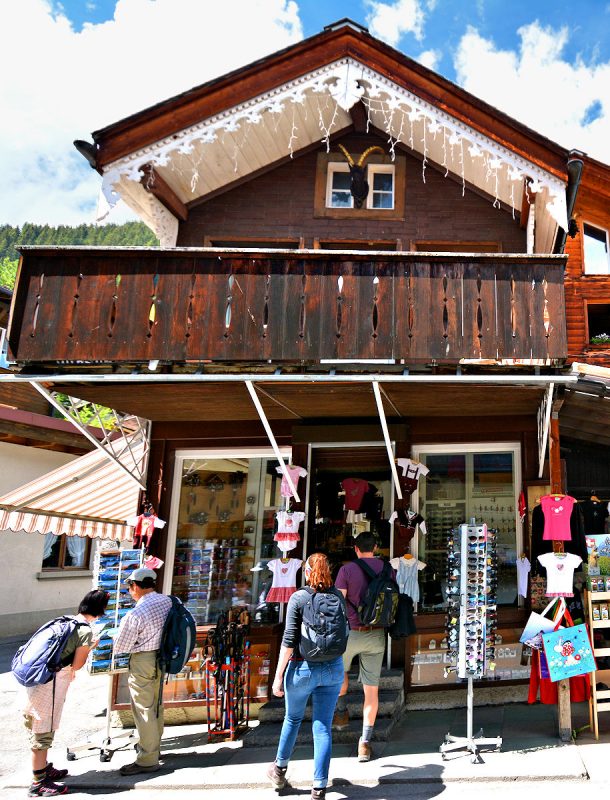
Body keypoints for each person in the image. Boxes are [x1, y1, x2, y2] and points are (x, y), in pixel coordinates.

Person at [267, 553, 346, 800]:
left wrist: (278, 676)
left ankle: (279, 770)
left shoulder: (299, 598)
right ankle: (319, 787)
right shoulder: (337, 596)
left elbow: (289, 640)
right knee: (322, 727)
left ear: (307, 571)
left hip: (303, 668)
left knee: (292, 719)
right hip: (333, 667)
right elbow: (346, 631)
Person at [23, 588, 109, 797]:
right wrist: (90, 646)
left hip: (35, 679)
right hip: (50, 684)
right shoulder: (85, 631)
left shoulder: (66, 620)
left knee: (35, 725)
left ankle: (43, 769)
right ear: (100, 610)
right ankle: (38, 783)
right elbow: (77, 665)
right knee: (43, 732)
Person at [333, 532, 393, 762]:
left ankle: (341, 712)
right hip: (377, 634)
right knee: (372, 690)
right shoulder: (388, 569)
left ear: (356, 549)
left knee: (341, 672)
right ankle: (365, 743)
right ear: (376, 547)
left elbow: (338, 602)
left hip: (351, 632)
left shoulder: (346, 570)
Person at [112, 566, 172, 776]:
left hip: (143, 660)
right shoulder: (167, 601)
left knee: (143, 708)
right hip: (161, 657)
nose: (130, 590)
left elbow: (122, 646)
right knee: (156, 705)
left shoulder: (136, 613)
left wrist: (113, 636)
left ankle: (147, 758)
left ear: (135, 586)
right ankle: (155, 747)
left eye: (130, 587)